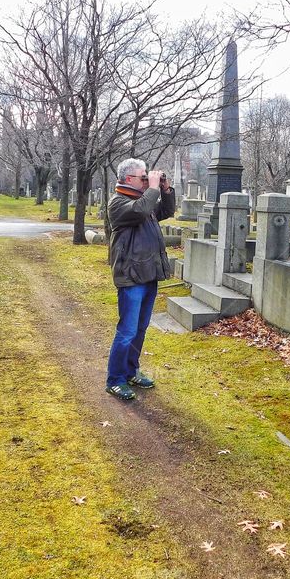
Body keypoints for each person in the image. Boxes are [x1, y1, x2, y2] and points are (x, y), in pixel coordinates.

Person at [103, 157, 176, 400]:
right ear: (127, 179)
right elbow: (143, 209)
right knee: (127, 330)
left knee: (140, 329)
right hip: (131, 277)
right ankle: (115, 379)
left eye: (148, 176)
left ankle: (131, 371)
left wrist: (165, 189)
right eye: (142, 176)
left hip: (148, 275)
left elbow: (165, 210)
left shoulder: (142, 199)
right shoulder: (119, 203)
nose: (146, 180)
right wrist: (153, 188)